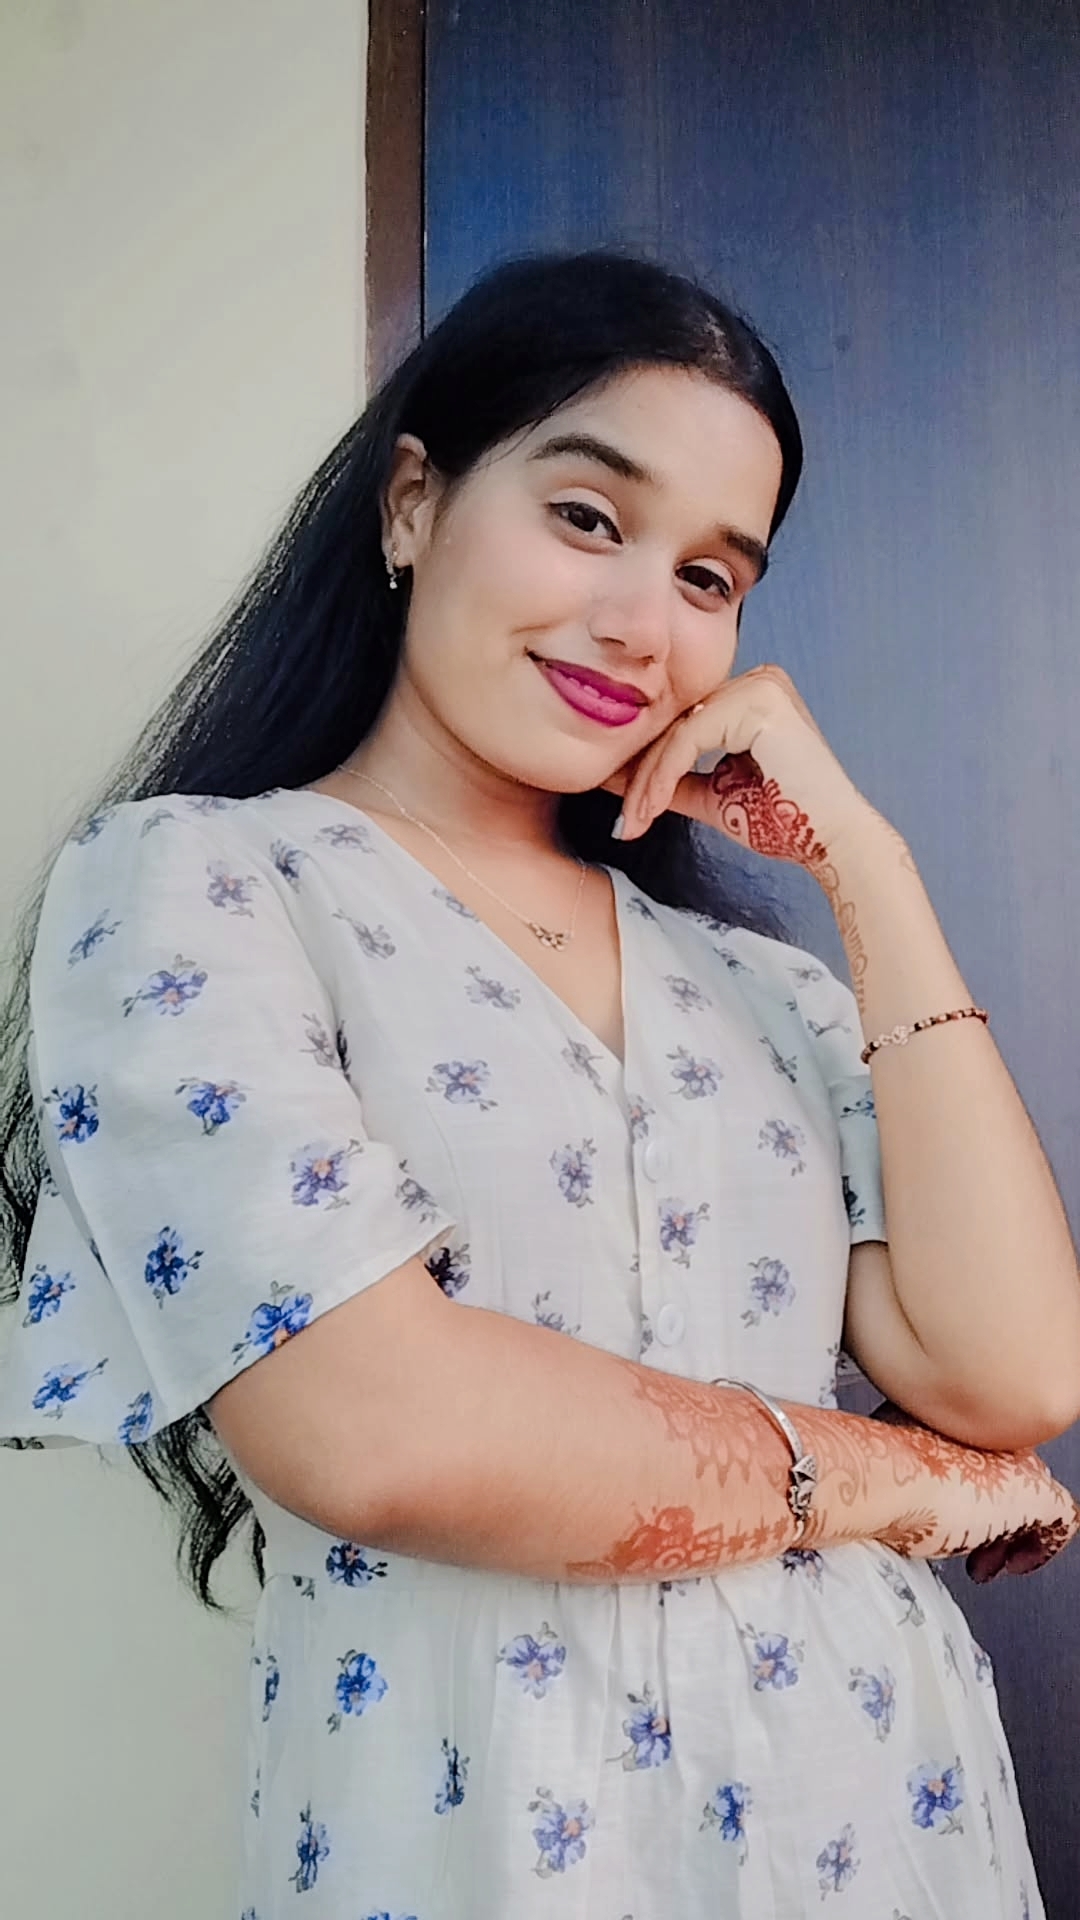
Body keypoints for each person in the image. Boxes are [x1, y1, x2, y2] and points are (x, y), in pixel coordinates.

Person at [1, 248, 1078, 1920]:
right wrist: (896, 1480)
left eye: (711, 576)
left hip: (876, 1816)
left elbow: (1012, 1370)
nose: (644, 624)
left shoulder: (770, 992)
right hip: (479, 1835)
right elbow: (377, 1431)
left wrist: (868, 866)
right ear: (412, 502)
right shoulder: (200, 889)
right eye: (588, 518)